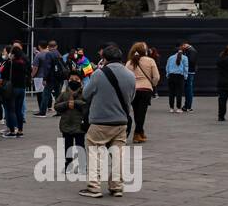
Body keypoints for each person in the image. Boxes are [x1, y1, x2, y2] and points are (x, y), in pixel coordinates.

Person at [80, 44, 135, 198]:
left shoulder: (98, 74)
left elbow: (86, 94)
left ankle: (94, 187)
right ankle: (117, 187)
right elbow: (132, 97)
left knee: (93, 152)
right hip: (121, 122)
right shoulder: (130, 75)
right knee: (118, 155)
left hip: (100, 121)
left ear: (104, 59)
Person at [125, 42, 160, 145]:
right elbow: (156, 77)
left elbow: (125, 76)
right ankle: (137, 133)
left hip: (133, 90)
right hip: (146, 90)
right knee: (142, 112)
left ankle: (140, 132)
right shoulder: (150, 61)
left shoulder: (129, 62)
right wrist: (152, 84)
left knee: (136, 112)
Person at [53, 71, 87, 172]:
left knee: (80, 146)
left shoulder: (84, 93)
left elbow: (87, 106)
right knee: (68, 146)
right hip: (66, 124)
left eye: (76, 79)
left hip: (79, 125)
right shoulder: (64, 94)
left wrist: (76, 103)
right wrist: (67, 104)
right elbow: (56, 106)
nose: (73, 81)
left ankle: (82, 165)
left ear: (80, 81)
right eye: (71, 79)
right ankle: (68, 164)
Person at [0, 44, 29, 138]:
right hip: (22, 88)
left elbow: (2, 73)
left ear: (13, 54)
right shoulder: (23, 63)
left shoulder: (10, 63)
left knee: (10, 109)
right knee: (19, 110)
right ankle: (20, 130)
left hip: (12, 88)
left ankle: (12, 131)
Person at [166, 45, 189, 111]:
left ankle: (171, 108)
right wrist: (185, 76)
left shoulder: (170, 57)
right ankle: (178, 108)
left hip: (171, 76)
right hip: (180, 76)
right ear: (183, 52)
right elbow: (186, 68)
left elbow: (167, 67)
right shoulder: (185, 58)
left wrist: (167, 74)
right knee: (179, 93)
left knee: (171, 92)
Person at [180, 41, 198, 111]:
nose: (182, 48)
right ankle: (187, 106)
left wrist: (183, 62)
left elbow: (191, 62)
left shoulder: (192, 51)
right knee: (187, 89)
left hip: (189, 72)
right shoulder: (189, 50)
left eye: (182, 47)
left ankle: (188, 106)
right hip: (189, 72)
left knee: (188, 89)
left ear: (185, 45)